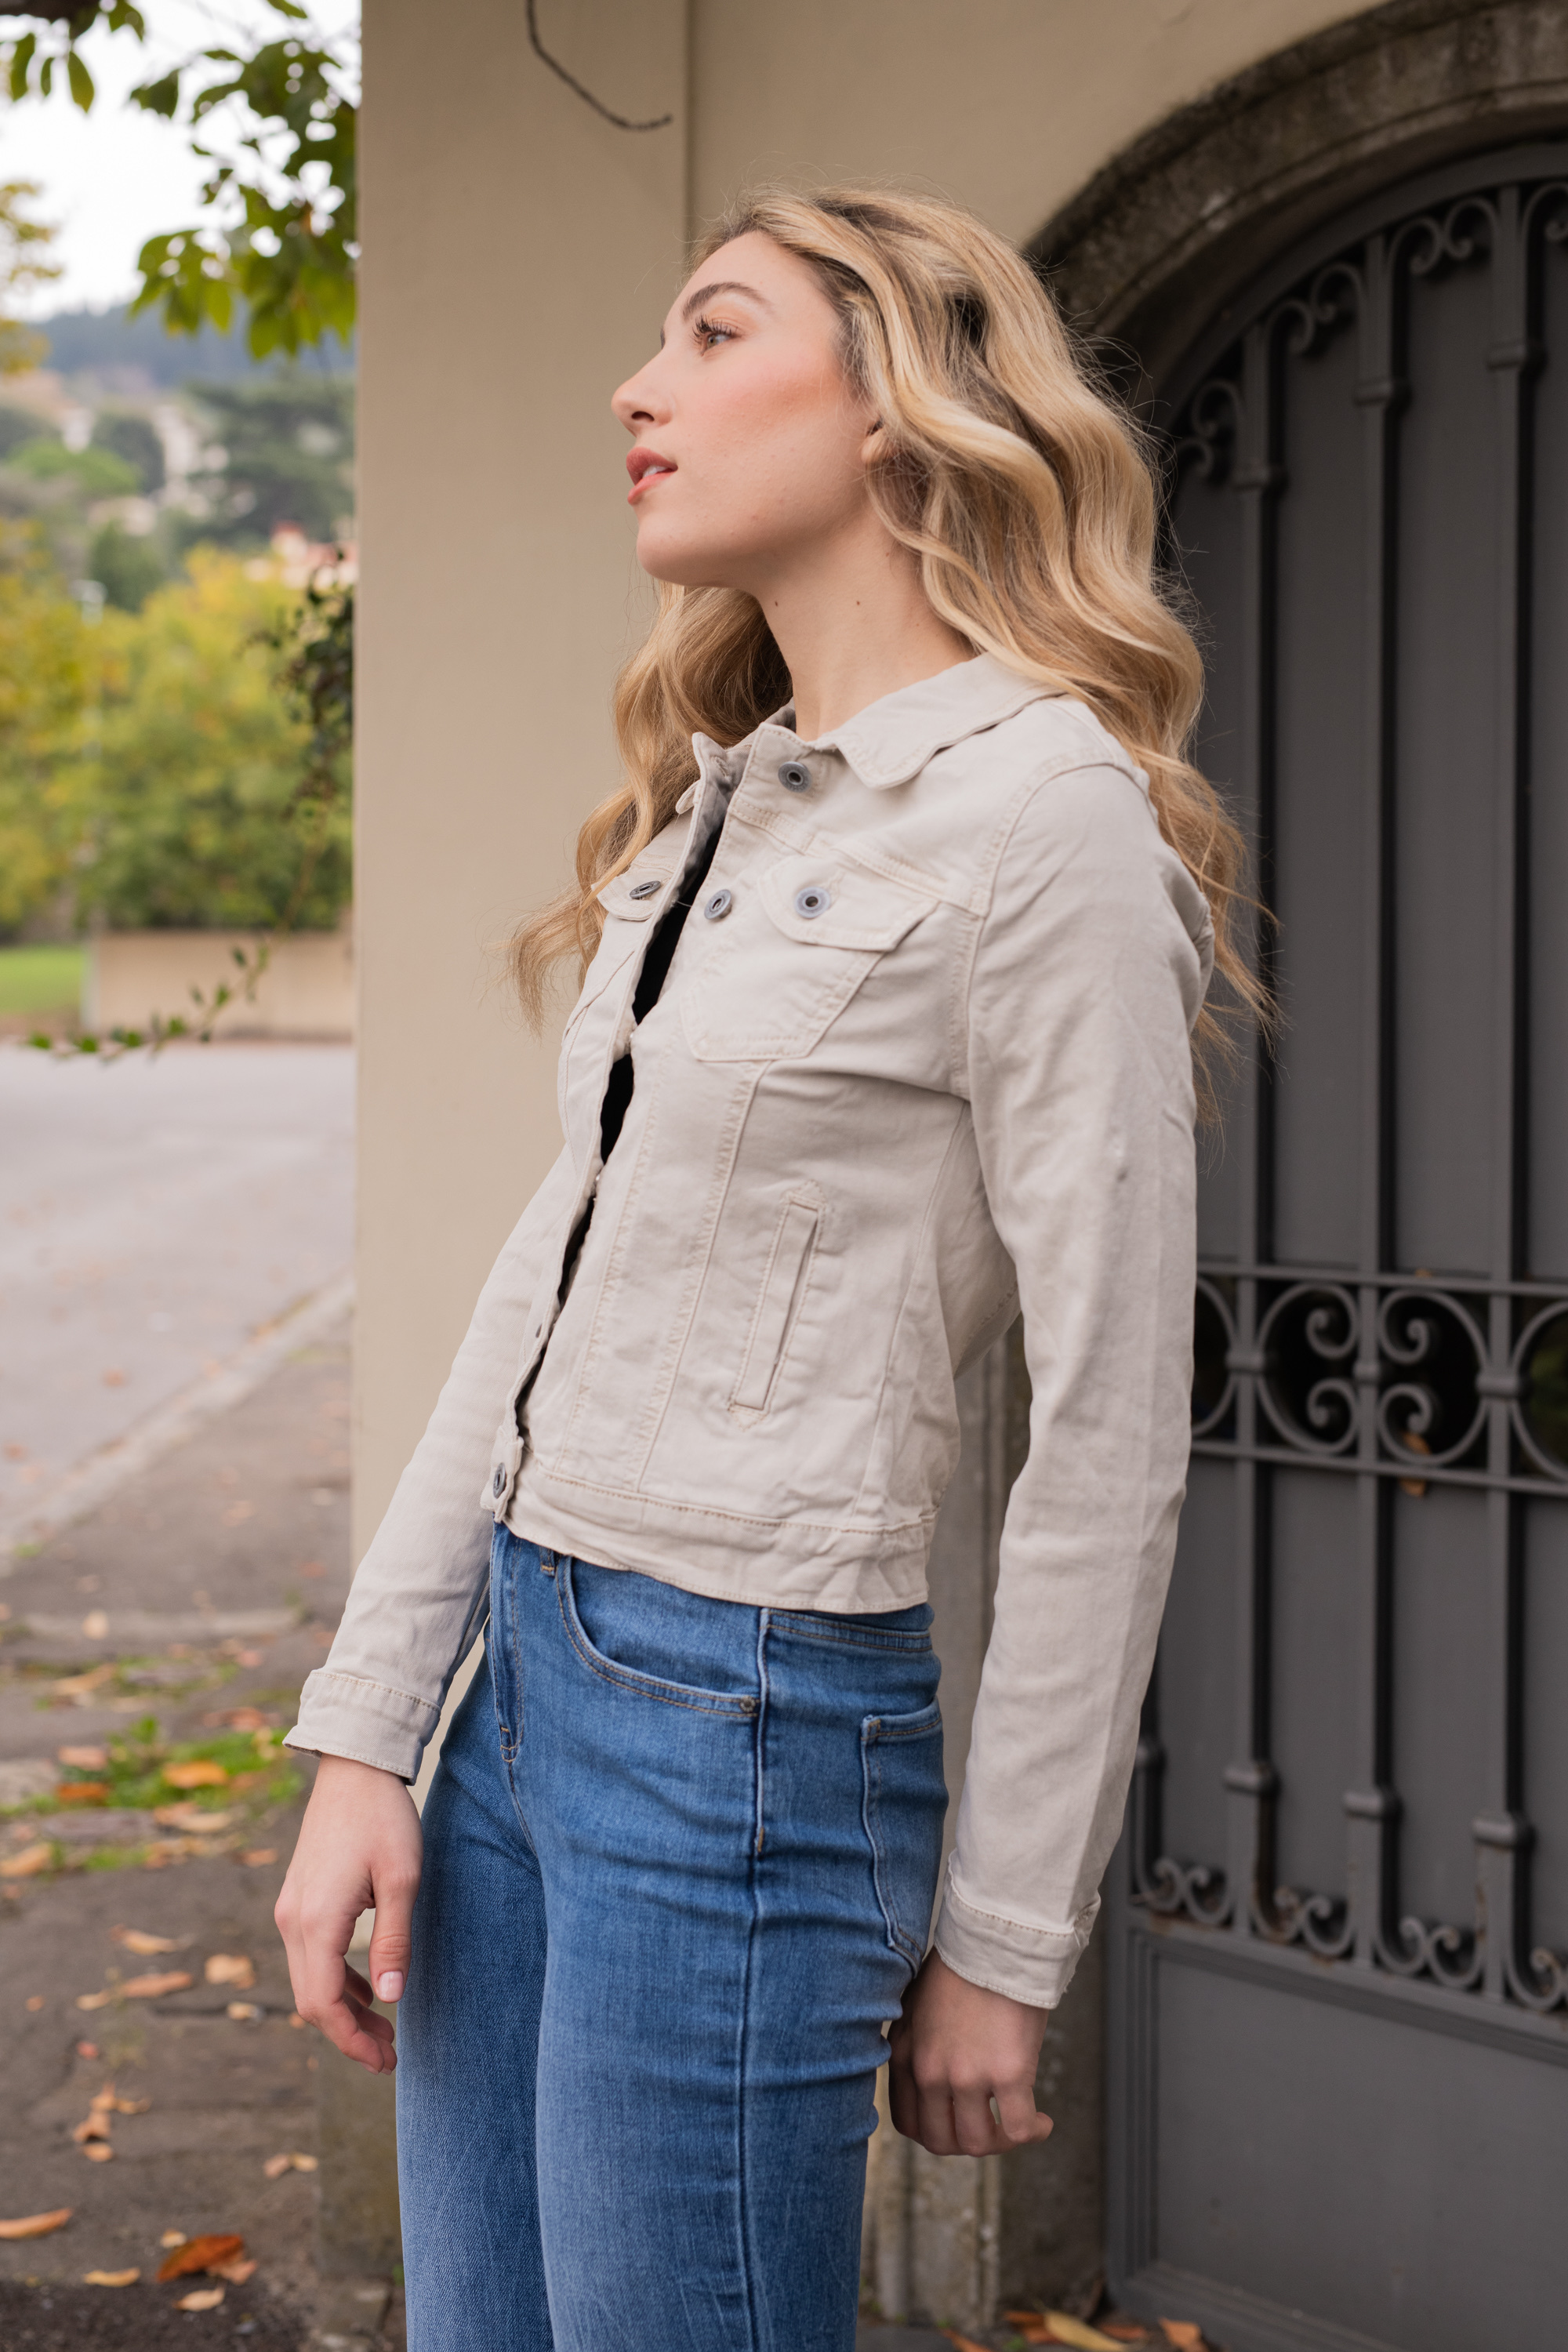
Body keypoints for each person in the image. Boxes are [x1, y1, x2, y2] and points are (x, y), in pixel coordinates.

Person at [275, 187, 1252, 2352]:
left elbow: (1107, 1433)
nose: (641, 388)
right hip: (517, 1687)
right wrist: (370, 1738)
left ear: (899, 400)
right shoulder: (731, 803)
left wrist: (1005, 1935)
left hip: (742, 1730)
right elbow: (543, 1283)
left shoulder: (1045, 822)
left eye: (714, 333)